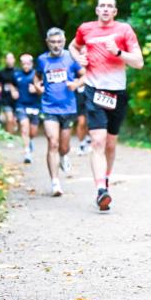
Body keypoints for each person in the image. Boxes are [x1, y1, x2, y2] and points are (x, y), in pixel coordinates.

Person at [69, 0, 144, 211]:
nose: (105, 9)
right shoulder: (86, 29)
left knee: (111, 145)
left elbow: (138, 62)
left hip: (117, 92)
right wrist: (77, 58)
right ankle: (101, 189)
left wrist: (118, 52)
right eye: (102, 5)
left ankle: (106, 179)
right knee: (98, 141)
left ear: (115, 11)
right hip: (94, 90)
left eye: (109, 6)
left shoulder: (124, 30)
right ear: (96, 10)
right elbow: (73, 46)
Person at [35, 28, 85, 196]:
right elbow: (37, 77)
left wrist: (76, 84)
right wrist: (37, 87)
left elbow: (85, 75)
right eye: (53, 42)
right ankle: (55, 182)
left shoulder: (71, 58)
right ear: (48, 42)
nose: (56, 45)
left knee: (64, 147)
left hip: (68, 108)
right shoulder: (41, 59)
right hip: (49, 107)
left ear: (64, 42)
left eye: (59, 42)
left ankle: (64, 156)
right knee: (53, 142)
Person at [13, 53, 41, 164]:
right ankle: (27, 152)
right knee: (24, 127)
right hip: (21, 105)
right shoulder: (16, 75)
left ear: (31, 64)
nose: (25, 66)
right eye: (23, 64)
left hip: (35, 106)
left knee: (33, 131)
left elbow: (44, 88)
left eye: (28, 64)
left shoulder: (36, 75)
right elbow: (11, 85)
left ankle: (30, 141)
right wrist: (13, 90)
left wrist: (36, 89)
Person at [0, 52, 18, 136]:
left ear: (14, 60)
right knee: (9, 118)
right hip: (5, 98)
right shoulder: (1, 72)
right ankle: (9, 136)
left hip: (17, 99)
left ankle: (13, 126)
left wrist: (16, 90)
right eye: (7, 58)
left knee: (14, 119)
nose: (9, 60)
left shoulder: (18, 72)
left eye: (11, 58)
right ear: (5, 60)